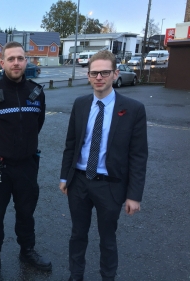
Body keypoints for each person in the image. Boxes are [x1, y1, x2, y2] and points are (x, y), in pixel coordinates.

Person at [59, 50, 148, 281]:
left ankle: (108, 277)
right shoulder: (80, 104)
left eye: (105, 72)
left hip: (109, 186)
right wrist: (64, 177)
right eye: (94, 73)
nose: (99, 77)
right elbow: (71, 144)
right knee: (78, 234)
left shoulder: (133, 109)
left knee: (108, 238)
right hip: (78, 181)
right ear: (88, 75)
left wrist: (134, 195)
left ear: (115, 74)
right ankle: (75, 276)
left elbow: (138, 155)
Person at [0, 41, 52, 281]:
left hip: (27, 165)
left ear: (26, 61)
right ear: (2, 63)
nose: (16, 62)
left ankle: (27, 251)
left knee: (26, 212)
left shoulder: (36, 92)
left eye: (20, 58)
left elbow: (38, 124)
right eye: (11, 59)